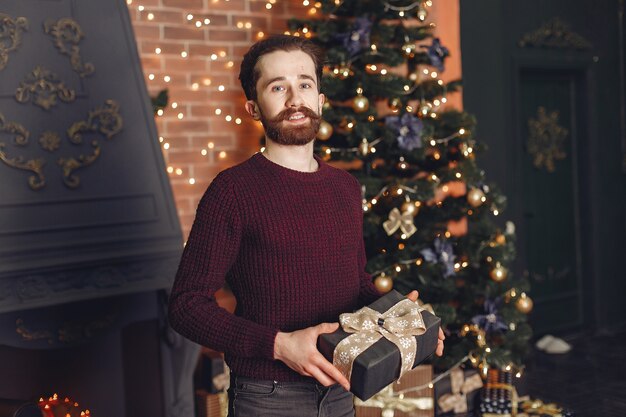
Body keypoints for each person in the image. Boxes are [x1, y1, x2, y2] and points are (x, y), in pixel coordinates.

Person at [168, 35, 445, 417]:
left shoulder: (345, 188)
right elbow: (185, 305)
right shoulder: (232, 191)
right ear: (253, 106)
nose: (294, 98)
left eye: (305, 84)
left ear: (320, 100)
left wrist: (403, 318)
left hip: (340, 393)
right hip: (268, 397)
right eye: (277, 86)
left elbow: (356, 285)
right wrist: (279, 345)